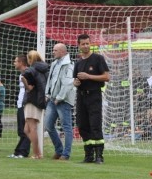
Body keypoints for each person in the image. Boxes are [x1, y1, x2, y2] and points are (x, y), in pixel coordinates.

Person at [73, 33, 111, 163]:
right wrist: (76, 82)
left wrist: (89, 76)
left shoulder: (98, 59)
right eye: (83, 44)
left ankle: (99, 155)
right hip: (81, 96)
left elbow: (106, 77)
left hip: (94, 95)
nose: (85, 46)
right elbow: (75, 80)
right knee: (83, 125)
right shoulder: (78, 63)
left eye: (87, 43)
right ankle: (88, 155)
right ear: (79, 45)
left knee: (95, 125)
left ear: (90, 44)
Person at [45, 43, 76, 160]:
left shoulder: (70, 65)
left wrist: (60, 97)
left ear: (63, 52)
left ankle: (66, 154)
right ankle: (59, 150)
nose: (53, 52)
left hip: (63, 100)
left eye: (55, 50)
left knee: (66, 127)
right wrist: (47, 94)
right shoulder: (54, 63)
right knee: (48, 125)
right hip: (52, 99)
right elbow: (50, 79)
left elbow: (68, 83)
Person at [21, 50, 49, 159]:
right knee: (26, 130)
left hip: (31, 100)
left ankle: (37, 154)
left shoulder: (31, 70)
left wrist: (24, 80)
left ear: (30, 59)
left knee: (31, 128)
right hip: (39, 101)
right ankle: (38, 152)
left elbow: (30, 88)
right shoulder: (44, 70)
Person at [8, 55, 31, 158]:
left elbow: (31, 89)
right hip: (20, 104)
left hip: (26, 104)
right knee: (21, 129)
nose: (14, 63)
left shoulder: (29, 73)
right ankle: (18, 151)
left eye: (15, 61)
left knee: (26, 129)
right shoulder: (20, 75)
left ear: (21, 62)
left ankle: (23, 152)